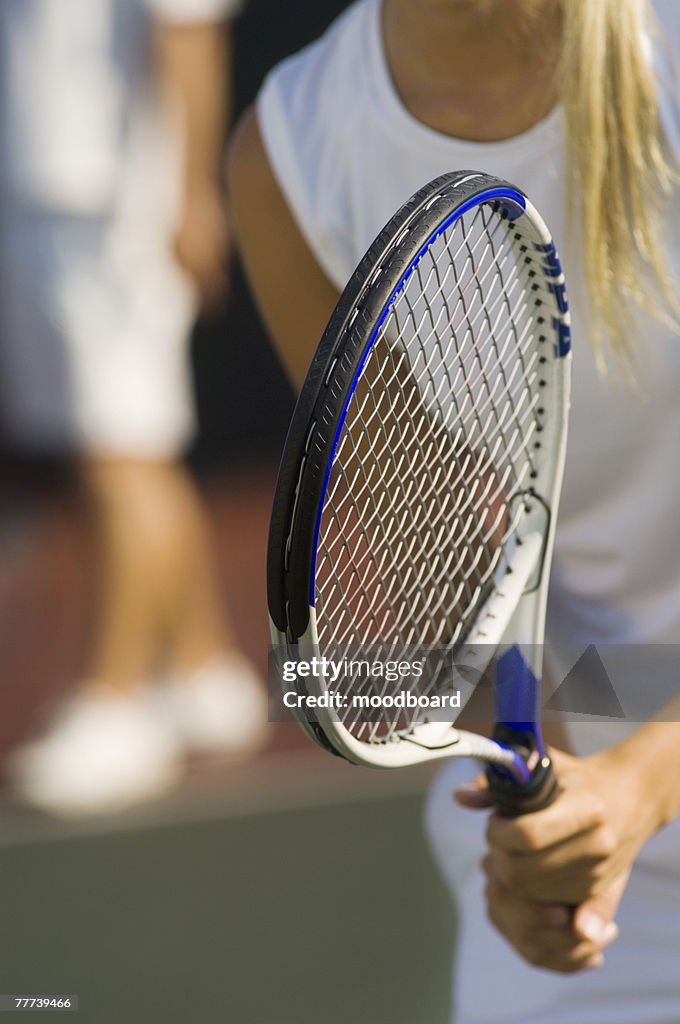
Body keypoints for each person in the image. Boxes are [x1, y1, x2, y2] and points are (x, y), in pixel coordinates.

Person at [227, 0, 680, 1020]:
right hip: (613, 878)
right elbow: (456, 607)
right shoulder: (289, 155)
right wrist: (559, 829)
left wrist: (644, 778)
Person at [0, 0, 266, 818]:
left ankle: (115, 700)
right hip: (49, 197)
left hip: (113, 209)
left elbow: (189, 30)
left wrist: (190, 196)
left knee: (120, 459)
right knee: (122, 452)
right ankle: (201, 668)